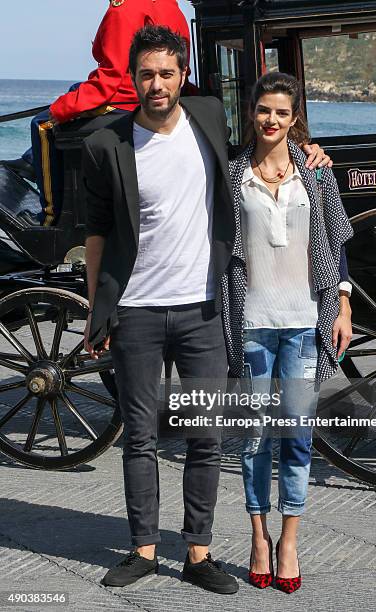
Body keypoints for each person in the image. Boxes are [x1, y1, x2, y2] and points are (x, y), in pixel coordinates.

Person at [82, 25, 332, 593]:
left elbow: (267, 144)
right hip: (137, 311)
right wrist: (97, 312)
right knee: (140, 435)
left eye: (166, 73)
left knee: (206, 435)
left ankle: (198, 553)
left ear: (181, 75)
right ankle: (143, 549)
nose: (156, 84)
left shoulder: (208, 119)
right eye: (146, 74)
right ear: (133, 78)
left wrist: (311, 151)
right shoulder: (106, 144)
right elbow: (95, 232)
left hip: (202, 310)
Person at [222, 71, 354, 593]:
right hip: (252, 323)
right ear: (251, 113)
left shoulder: (316, 176)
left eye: (281, 112)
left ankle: (290, 540)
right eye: (262, 110)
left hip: (304, 323)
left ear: (294, 117)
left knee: (297, 437)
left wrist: (341, 304)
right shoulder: (234, 176)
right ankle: (258, 536)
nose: (271, 120)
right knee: (254, 438)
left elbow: (337, 242)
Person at [3, 0, 192, 226]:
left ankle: (50, 218)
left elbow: (111, 76)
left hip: (128, 98)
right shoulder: (171, 5)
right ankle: (32, 160)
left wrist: (63, 109)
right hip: (146, 95)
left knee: (42, 124)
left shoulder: (125, 7)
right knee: (75, 89)